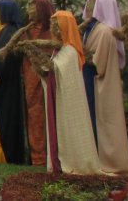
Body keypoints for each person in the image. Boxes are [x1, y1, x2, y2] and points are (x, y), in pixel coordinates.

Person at [81, 0, 128, 175]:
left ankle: (107, 160)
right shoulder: (91, 29)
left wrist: (83, 57)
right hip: (89, 79)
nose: (88, 5)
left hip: (98, 80)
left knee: (103, 119)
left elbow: (98, 64)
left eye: (92, 3)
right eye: (88, 1)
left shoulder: (104, 31)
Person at [47, 10, 101, 174]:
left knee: (69, 128)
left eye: (57, 26)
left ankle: (73, 160)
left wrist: (48, 66)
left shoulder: (70, 51)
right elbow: (52, 68)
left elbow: (59, 69)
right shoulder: (59, 49)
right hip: (57, 95)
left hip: (68, 101)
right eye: (53, 26)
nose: (54, 30)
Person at [0, 0, 25, 165]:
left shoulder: (11, 32)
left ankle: (4, 152)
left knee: (5, 116)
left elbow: (9, 59)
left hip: (6, 82)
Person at [21, 0, 52, 167]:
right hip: (28, 78)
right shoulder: (26, 30)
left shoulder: (48, 31)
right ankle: (35, 155)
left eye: (33, 9)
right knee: (32, 115)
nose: (29, 12)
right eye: (29, 8)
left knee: (41, 115)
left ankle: (42, 156)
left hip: (42, 79)